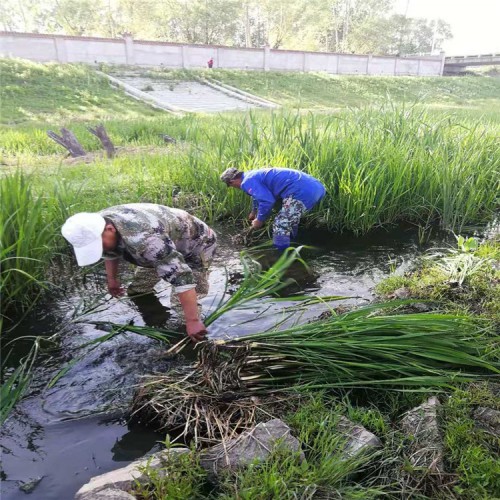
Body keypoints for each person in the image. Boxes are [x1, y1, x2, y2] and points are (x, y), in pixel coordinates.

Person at [61, 203, 217, 342]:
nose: (100, 250)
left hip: (197, 245)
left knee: (182, 309)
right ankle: (157, 318)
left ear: (110, 229)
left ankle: (194, 343)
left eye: (98, 245)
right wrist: (112, 279)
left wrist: (192, 321)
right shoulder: (97, 223)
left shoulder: (146, 241)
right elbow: (110, 250)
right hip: (163, 244)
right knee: (138, 290)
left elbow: (183, 278)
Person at [220, 167, 325, 250]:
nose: (234, 188)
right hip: (316, 188)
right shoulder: (250, 175)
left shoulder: (246, 182)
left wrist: (259, 220)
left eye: (230, 186)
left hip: (301, 192)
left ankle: (283, 258)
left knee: (280, 224)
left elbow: (267, 200)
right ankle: (293, 245)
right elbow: (258, 195)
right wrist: (254, 211)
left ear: (232, 182)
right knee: (289, 220)